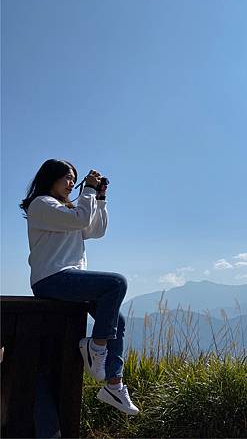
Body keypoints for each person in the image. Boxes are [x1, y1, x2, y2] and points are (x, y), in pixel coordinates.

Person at [20, 159, 139, 415]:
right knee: (116, 283)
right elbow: (80, 219)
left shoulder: (65, 210)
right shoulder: (41, 205)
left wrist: (100, 198)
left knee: (117, 320)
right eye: (67, 178)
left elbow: (95, 230)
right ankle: (95, 347)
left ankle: (113, 384)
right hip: (51, 279)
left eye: (74, 179)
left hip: (69, 280)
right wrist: (88, 192)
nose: (71, 183)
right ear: (49, 178)